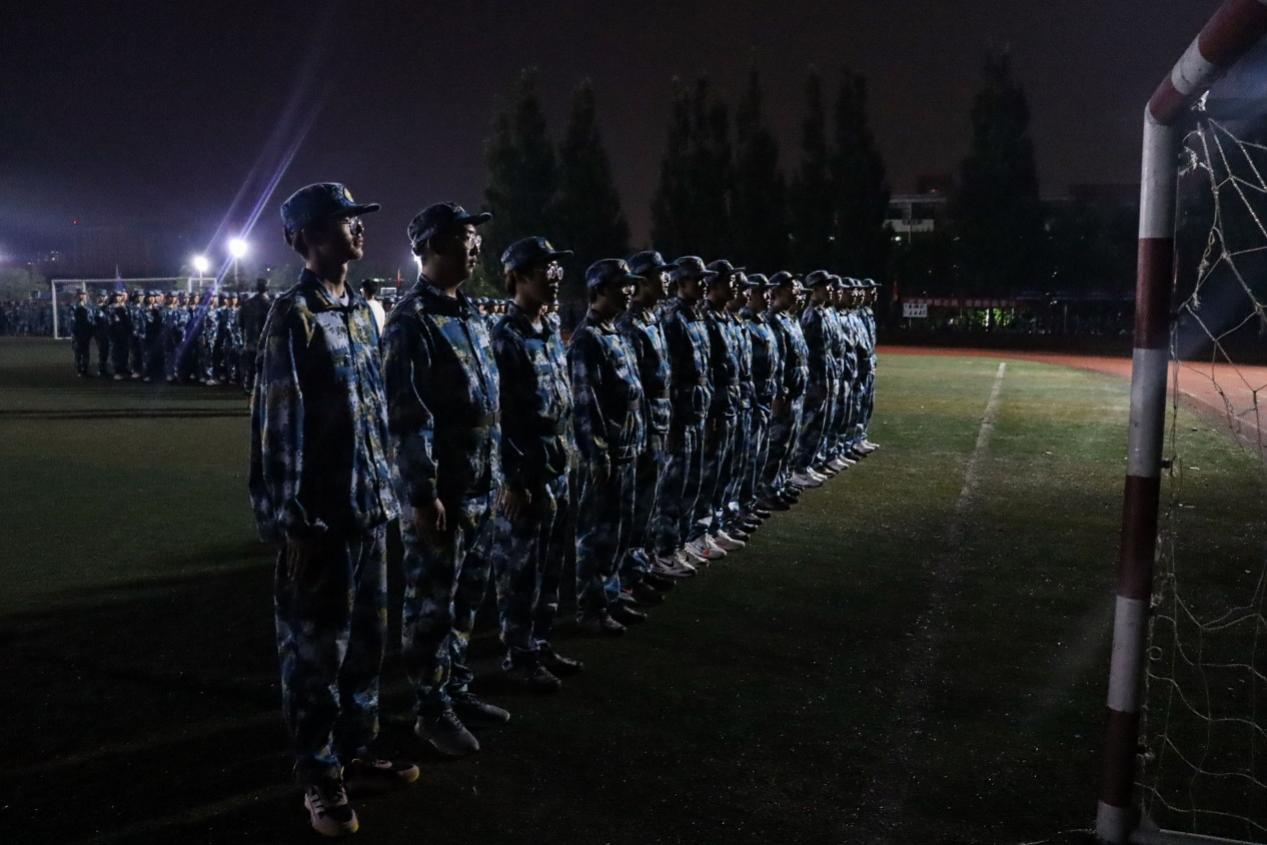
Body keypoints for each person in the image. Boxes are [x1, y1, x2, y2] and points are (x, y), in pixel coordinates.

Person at [250, 181, 417, 839]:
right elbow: (278, 424)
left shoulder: (361, 309)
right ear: (307, 237)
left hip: (369, 507)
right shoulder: (292, 316)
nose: (358, 228)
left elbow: (375, 411)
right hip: (321, 519)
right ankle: (318, 772)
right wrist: (290, 517)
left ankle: (357, 746)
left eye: (356, 219)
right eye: (344, 220)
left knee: (366, 645)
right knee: (315, 654)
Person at [382, 202, 509, 758]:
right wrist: (422, 492)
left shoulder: (471, 313)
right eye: (463, 237)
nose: (475, 246)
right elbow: (406, 417)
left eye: (476, 237)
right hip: (444, 492)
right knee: (431, 605)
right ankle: (430, 709)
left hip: (481, 483)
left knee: (465, 601)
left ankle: (455, 689)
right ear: (431, 245)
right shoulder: (411, 321)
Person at [486, 236, 585, 691]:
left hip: (555, 465)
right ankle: (518, 655)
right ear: (520, 277)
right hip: (526, 473)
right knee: (521, 569)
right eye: (547, 269)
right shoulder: (506, 337)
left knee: (549, 565)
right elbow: (502, 416)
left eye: (558, 269)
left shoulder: (548, 328)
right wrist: (512, 479)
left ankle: (540, 644)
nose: (556, 277)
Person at [568, 258, 647, 633]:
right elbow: (586, 404)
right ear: (600, 289)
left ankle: (611, 596)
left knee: (619, 529)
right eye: (622, 285)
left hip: (626, 447)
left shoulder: (614, 332)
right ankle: (591, 607)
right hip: (605, 453)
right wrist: (597, 455)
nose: (630, 291)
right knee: (596, 533)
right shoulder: (587, 339)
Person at [617, 251, 691, 586]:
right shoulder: (629, 324)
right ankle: (629, 573)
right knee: (637, 505)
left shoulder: (653, 318)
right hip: (643, 429)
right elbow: (635, 388)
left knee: (652, 499)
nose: (666, 279)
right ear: (643, 281)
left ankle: (644, 563)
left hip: (660, 423)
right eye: (660, 274)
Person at [650, 256, 715, 572]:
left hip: (697, 410)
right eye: (696, 279)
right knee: (673, 486)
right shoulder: (673, 319)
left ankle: (681, 542)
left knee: (692, 481)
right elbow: (671, 374)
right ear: (681, 283)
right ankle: (664, 550)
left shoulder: (696, 316)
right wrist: (674, 422)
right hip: (681, 413)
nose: (703, 284)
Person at [760, 272, 810, 510]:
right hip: (784, 392)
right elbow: (778, 361)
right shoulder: (772, 320)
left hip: (795, 390)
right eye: (792, 288)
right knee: (777, 443)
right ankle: (767, 489)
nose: (797, 293)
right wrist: (779, 392)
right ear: (778, 291)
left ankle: (780, 483)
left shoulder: (789, 319)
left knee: (789, 442)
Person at [238, 278, 272, 392]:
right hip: (264, 341)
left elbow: (240, 323)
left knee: (250, 366)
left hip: (250, 340)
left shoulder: (247, 303)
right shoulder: (269, 304)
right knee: (263, 367)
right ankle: (260, 388)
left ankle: (249, 386)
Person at [70, 290, 95, 376]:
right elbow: (73, 320)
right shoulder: (74, 307)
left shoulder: (88, 307)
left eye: (84, 295)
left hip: (86, 332)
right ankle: (79, 369)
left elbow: (91, 319)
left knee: (85, 351)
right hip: (77, 332)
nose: (83, 296)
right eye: (81, 295)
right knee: (78, 351)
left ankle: (85, 369)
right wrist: (74, 332)